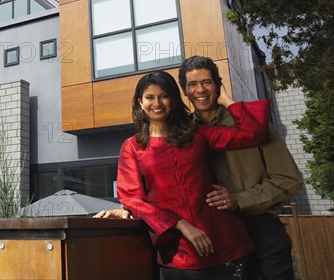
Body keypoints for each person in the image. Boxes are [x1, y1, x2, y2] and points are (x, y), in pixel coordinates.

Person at [114, 70, 270, 279]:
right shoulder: (132, 147)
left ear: (173, 99)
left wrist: (224, 99)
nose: (157, 103)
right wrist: (180, 224)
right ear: (140, 102)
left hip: (226, 242)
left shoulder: (197, 133)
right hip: (178, 252)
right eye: (150, 97)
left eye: (164, 96)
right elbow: (132, 197)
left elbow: (252, 133)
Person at [178, 55, 302, 280]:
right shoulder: (182, 134)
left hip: (261, 231)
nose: (200, 90)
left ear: (218, 85)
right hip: (212, 237)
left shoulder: (253, 124)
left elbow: (289, 178)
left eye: (206, 82)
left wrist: (239, 199)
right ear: (185, 91)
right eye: (192, 84)